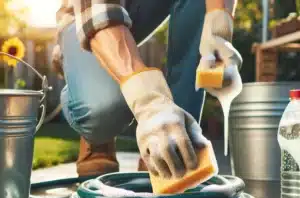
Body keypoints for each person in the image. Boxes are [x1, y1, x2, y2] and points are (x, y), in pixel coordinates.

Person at [52, 0, 242, 179]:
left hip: (138, 10)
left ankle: (175, 148)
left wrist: (217, 26)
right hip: (84, 18)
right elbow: (98, 13)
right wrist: (149, 101)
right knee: (103, 109)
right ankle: (80, 84)